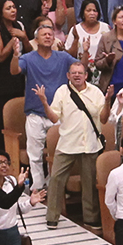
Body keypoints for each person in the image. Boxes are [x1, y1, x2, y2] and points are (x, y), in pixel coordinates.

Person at [39, 60, 105, 227]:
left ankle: (91, 219)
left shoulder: (96, 92)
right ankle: (52, 217)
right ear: (68, 75)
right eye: (73, 73)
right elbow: (54, 118)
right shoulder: (62, 92)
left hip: (89, 144)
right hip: (67, 143)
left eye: (80, 73)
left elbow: (103, 118)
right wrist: (44, 102)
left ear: (86, 75)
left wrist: (109, 99)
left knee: (89, 183)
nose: (77, 75)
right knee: (55, 179)